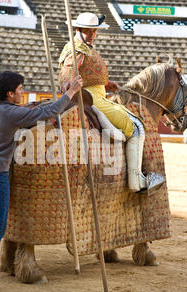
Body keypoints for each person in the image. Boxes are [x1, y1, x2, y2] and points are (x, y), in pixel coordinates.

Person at [0, 71, 83, 292]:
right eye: (19, 89)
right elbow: (46, 111)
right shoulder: (12, 114)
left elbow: (29, 111)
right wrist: (71, 92)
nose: (22, 91)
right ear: (9, 93)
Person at [58, 12, 165, 193]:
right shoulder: (77, 50)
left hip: (98, 95)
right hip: (92, 100)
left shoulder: (81, 46)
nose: (92, 36)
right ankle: (137, 181)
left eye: (94, 32)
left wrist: (106, 84)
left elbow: (87, 75)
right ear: (77, 29)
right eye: (87, 31)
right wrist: (69, 85)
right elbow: (68, 73)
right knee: (136, 126)